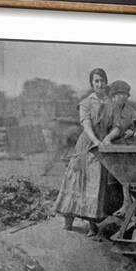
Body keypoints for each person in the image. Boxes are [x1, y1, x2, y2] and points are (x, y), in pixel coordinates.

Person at [54, 68, 119, 236]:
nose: (99, 84)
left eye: (102, 80)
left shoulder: (112, 104)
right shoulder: (86, 103)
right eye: (96, 81)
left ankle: (91, 225)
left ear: (106, 82)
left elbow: (117, 126)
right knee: (76, 180)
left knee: (94, 184)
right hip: (86, 144)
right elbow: (86, 124)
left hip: (101, 147)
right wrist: (95, 140)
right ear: (92, 83)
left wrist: (108, 138)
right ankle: (68, 220)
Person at [104, 80, 136, 217]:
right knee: (112, 179)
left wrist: (135, 129)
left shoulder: (129, 109)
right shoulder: (108, 108)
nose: (123, 97)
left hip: (125, 146)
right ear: (113, 95)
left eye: (125, 94)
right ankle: (114, 208)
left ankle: (128, 204)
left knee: (127, 174)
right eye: (120, 94)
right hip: (109, 146)